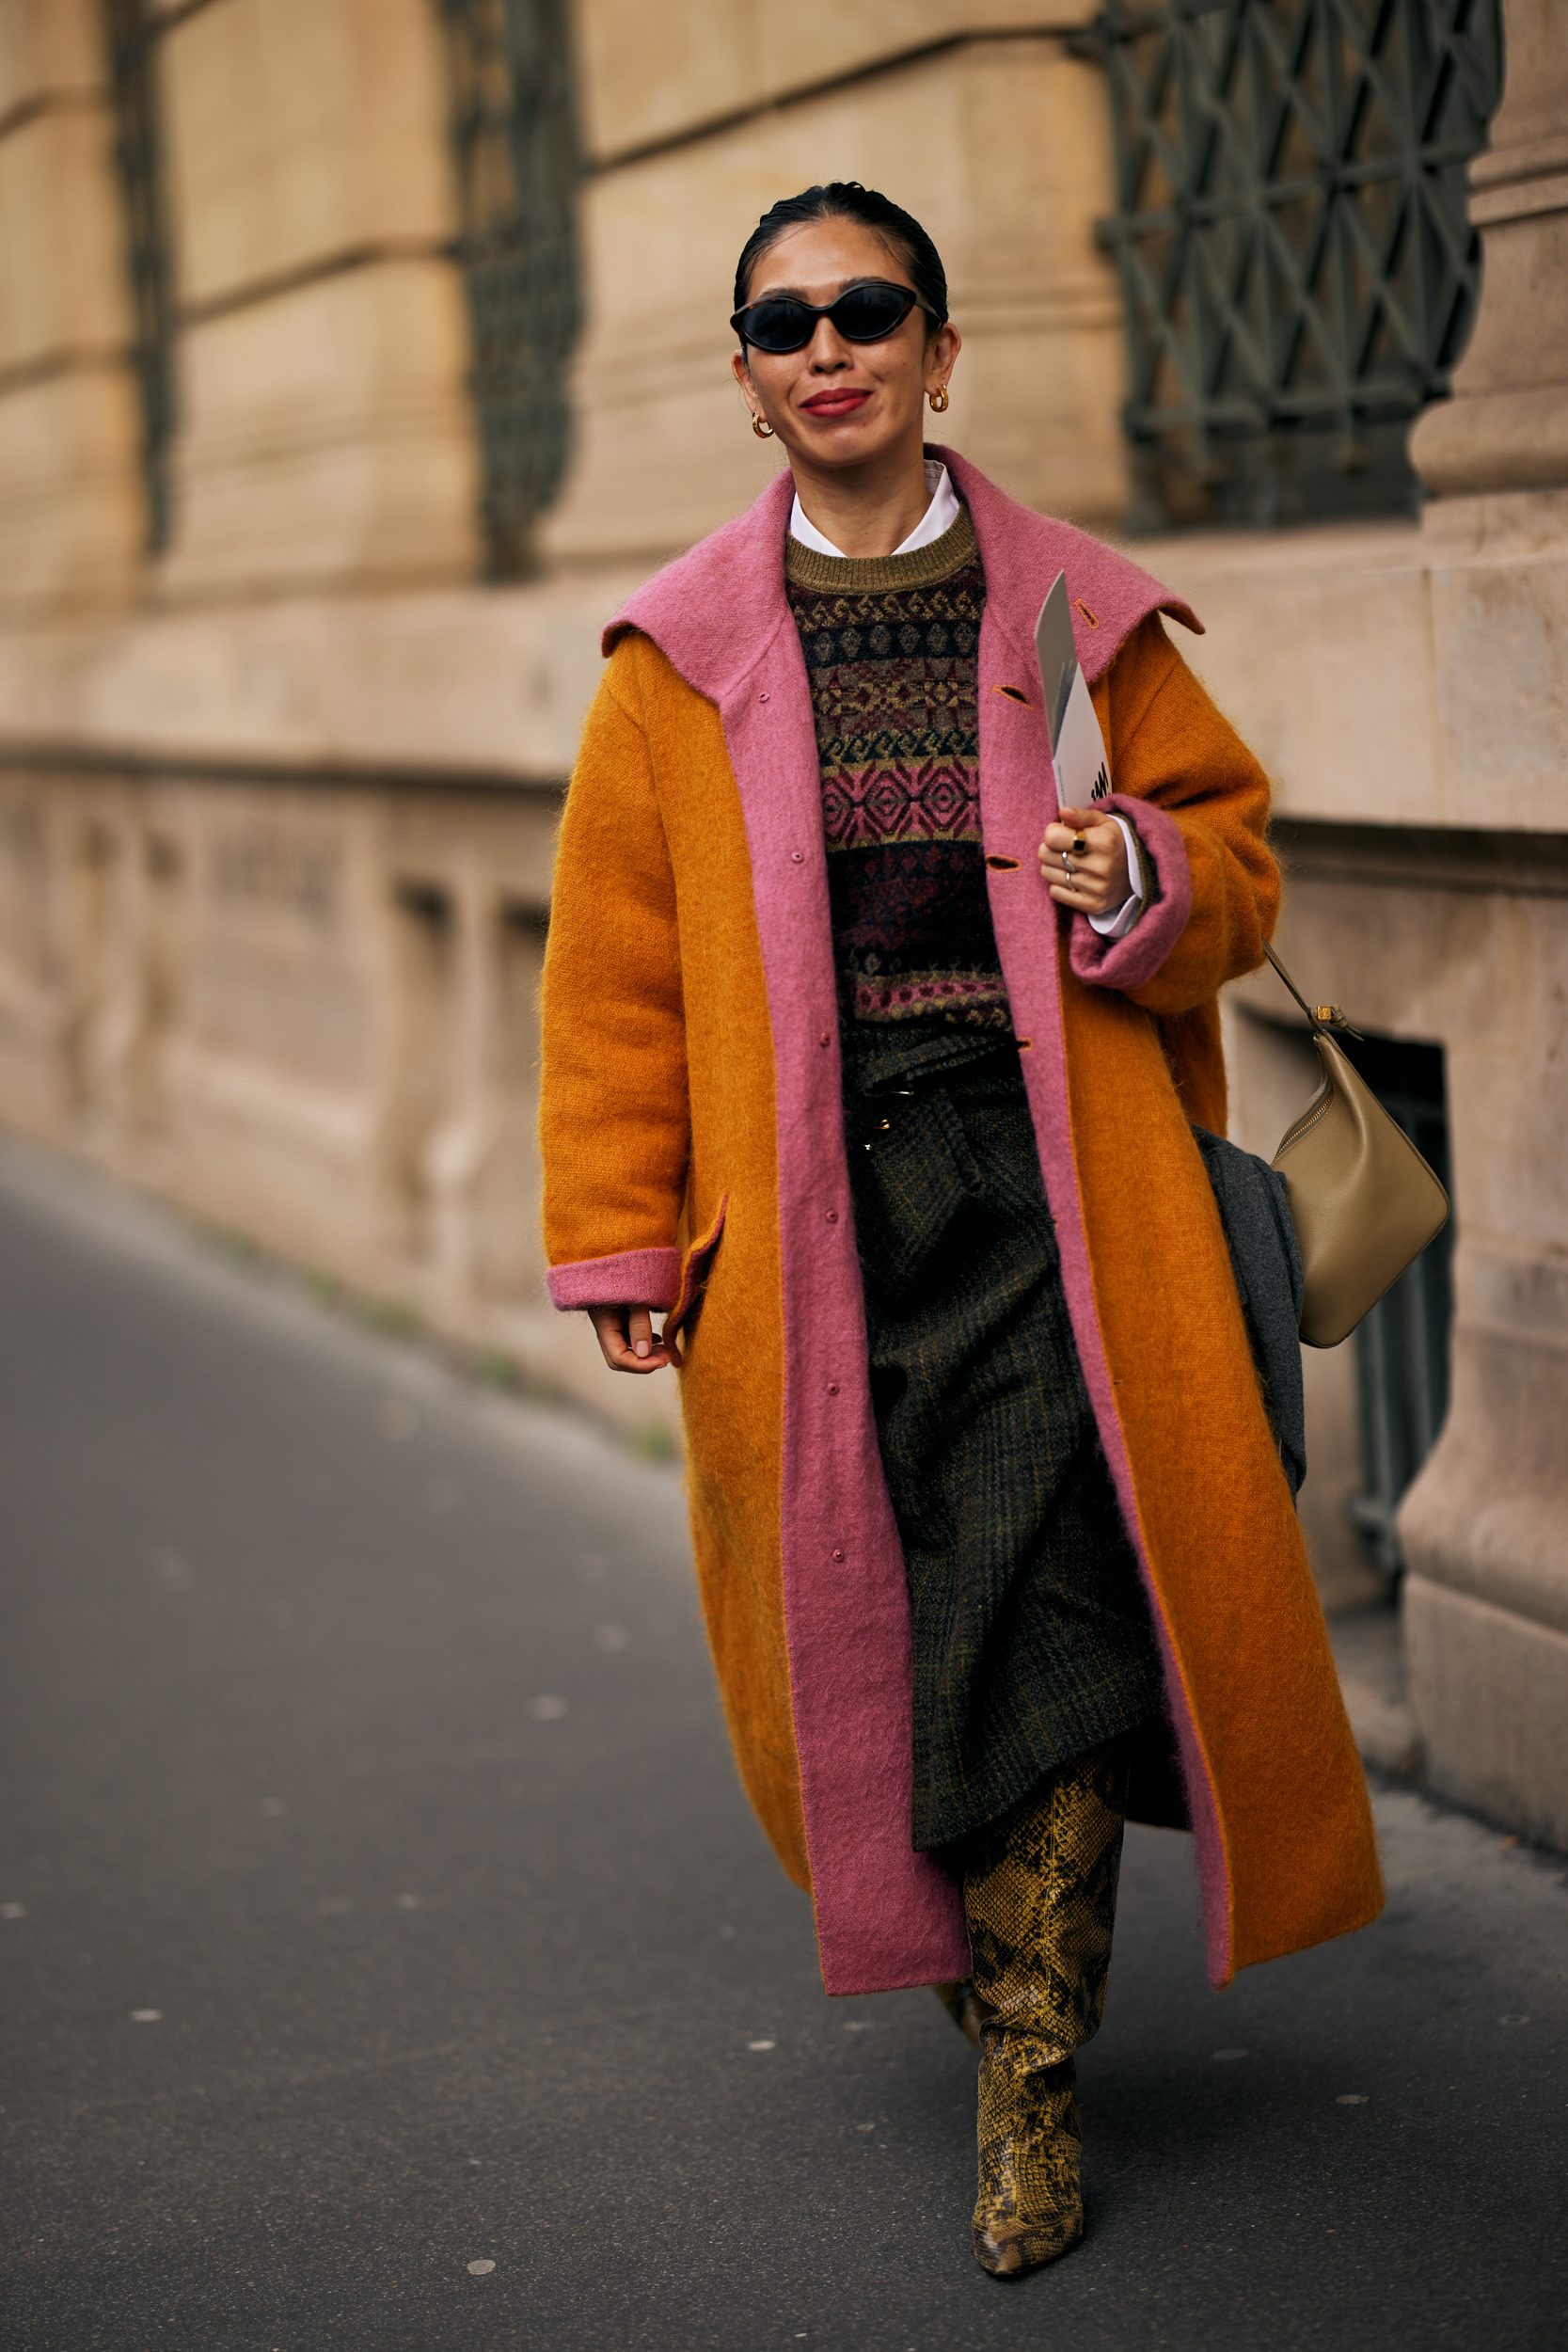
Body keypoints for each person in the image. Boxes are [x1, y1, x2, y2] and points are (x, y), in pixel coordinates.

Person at [539, 183, 1381, 2279]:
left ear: (937, 347)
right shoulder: (674, 667)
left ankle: (1029, 2072)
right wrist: (622, 1241)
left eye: (869, 309)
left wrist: (1144, 875)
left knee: (1055, 1615)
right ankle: (980, 1960)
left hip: (1061, 1199)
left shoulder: (1074, 616)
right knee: (895, 1637)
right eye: (786, 323)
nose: (830, 348)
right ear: (747, 382)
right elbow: (616, 983)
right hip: (816, 1222)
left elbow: (1243, 868)